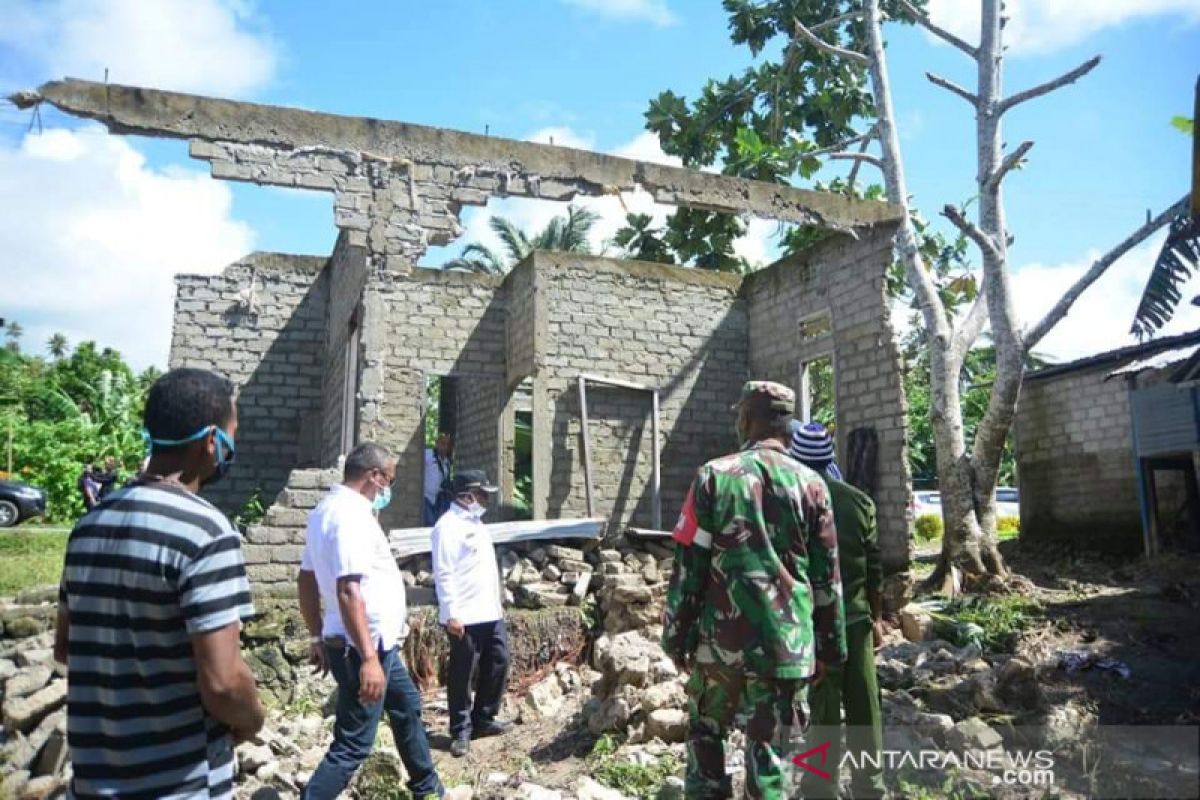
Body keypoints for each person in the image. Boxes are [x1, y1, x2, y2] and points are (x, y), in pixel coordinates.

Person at [53, 368, 264, 800]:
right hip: (178, 787)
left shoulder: (90, 525)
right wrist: (252, 718)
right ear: (211, 442)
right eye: (231, 434)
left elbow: (65, 648)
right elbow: (223, 684)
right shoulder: (206, 531)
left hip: (93, 783)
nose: (230, 447)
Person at [663, 380, 847, 799]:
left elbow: (689, 568)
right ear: (787, 426)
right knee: (770, 756)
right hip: (787, 648)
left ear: (747, 418)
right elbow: (827, 579)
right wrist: (830, 649)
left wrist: (676, 636)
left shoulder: (713, 477)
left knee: (706, 741)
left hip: (720, 649)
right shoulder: (813, 485)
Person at [297, 442, 445, 800]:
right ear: (373, 476)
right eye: (389, 481)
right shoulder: (350, 517)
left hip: (373, 646)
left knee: (407, 706)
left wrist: (318, 636)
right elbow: (348, 590)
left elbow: (305, 579)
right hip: (362, 649)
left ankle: (429, 789)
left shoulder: (325, 511)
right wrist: (367, 659)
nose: (388, 490)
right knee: (353, 744)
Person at [790, 421, 887, 799]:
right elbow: (875, 568)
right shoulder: (859, 502)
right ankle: (870, 787)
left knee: (822, 704)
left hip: (813, 623)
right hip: (858, 620)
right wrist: (878, 619)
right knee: (865, 704)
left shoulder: (792, 500)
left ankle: (820, 788)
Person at [431, 469, 511, 757]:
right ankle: (461, 730)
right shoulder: (447, 526)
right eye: (482, 494)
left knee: (499, 661)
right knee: (463, 672)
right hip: (463, 615)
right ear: (466, 496)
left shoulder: (477, 523)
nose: (486, 498)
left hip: (489, 611)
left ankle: (484, 718)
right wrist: (451, 613)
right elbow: (444, 572)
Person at [423, 432, 454, 525]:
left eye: (447, 445)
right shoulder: (427, 454)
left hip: (438, 499)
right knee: (430, 522)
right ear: (437, 443)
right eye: (442, 444)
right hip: (426, 496)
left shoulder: (447, 463)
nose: (444, 447)